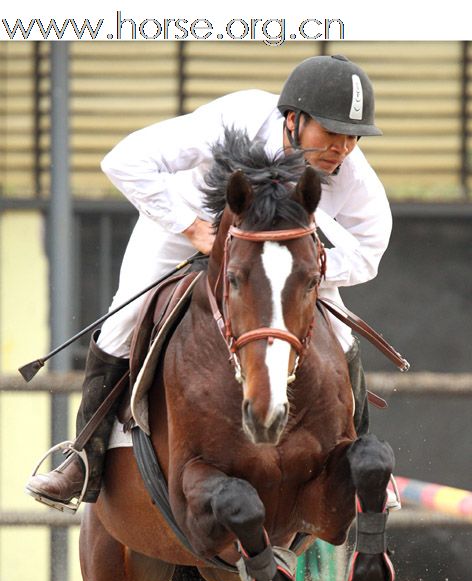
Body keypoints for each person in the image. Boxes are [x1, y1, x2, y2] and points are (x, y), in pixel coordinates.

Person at [26, 53, 394, 511]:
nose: (343, 147)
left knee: (342, 330)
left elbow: (369, 253)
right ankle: (84, 458)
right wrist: (192, 228)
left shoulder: (355, 177)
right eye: (332, 132)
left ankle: (359, 457)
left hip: (280, 259)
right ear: (294, 119)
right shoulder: (235, 118)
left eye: (354, 136)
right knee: (124, 318)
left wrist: (308, 267)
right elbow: (122, 160)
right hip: (186, 228)